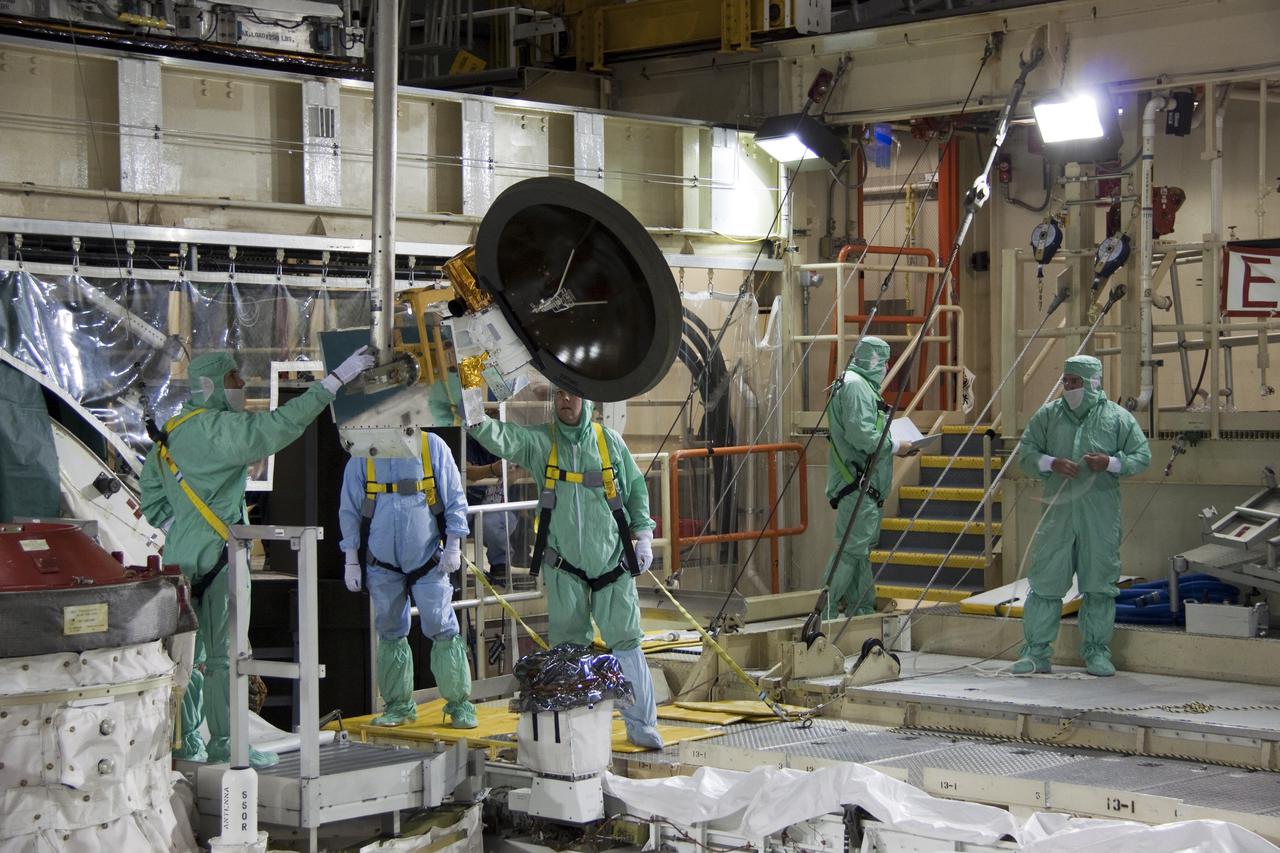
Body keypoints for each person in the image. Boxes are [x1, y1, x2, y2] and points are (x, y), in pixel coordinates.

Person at [141, 346, 375, 767]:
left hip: (181, 556)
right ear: (211, 384)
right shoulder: (220, 430)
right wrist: (334, 381)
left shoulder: (174, 430)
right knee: (226, 656)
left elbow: (152, 495)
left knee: (185, 658)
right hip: (223, 556)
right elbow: (280, 425)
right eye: (234, 378)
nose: (241, 384)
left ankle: (185, 739)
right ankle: (227, 744)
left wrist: (181, 529)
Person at [441, 385, 662, 749]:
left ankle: (642, 727)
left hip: (612, 564)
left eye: (574, 394)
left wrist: (642, 534)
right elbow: (503, 439)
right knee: (568, 650)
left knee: (626, 644)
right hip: (564, 567)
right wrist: (473, 411)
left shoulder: (608, 443)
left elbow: (635, 488)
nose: (565, 400)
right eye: (560, 394)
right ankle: (575, 734)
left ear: (587, 399)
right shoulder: (541, 443)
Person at [1014, 355, 1151, 677]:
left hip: (1099, 515)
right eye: (1066, 381)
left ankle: (1097, 652)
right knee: (1046, 583)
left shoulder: (1117, 418)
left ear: (1092, 383)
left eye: (1075, 382)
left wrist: (1112, 463)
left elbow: (1141, 456)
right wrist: (1050, 463)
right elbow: (1026, 453)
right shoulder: (1048, 416)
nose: (1069, 387)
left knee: (1099, 585)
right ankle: (1036, 653)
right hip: (1058, 514)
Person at [338, 430, 477, 729]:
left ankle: (459, 705)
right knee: (389, 631)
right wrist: (351, 556)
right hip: (382, 562)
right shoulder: (364, 452)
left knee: (442, 627)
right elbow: (349, 506)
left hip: (427, 560)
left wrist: (454, 543)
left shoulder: (432, 446)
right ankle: (398, 706)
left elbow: (454, 496)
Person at [823, 336, 915, 619]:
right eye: (885, 361)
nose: (887, 367)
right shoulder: (856, 388)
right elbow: (862, 435)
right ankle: (823, 611)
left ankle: (860, 609)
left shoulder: (856, 385)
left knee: (859, 552)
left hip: (863, 485)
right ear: (874, 361)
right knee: (850, 552)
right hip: (857, 485)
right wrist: (896, 445)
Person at [465, 434, 518, 588]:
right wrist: (492, 470)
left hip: (504, 510)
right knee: (454, 522)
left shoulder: (510, 439)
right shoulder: (470, 443)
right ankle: (455, 568)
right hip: (471, 505)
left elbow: (532, 467)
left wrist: (514, 476)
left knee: (490, 522)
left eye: (494, 412)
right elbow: (466, 470)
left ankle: (501, 567)